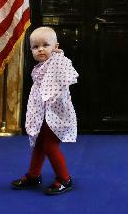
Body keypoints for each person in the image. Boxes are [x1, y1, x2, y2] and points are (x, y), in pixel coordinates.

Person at [11, 26, 78, 196]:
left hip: (55, 113)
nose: (40, 49)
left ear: (55, 47)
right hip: (41, 112)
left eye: (45, 45)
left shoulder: (58, 62)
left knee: (50, 145)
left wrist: (58, 55)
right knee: (39, 144)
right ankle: (34, 175)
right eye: (35, 46)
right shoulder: (40, 67)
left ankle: (64, 178)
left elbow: (65, 77)